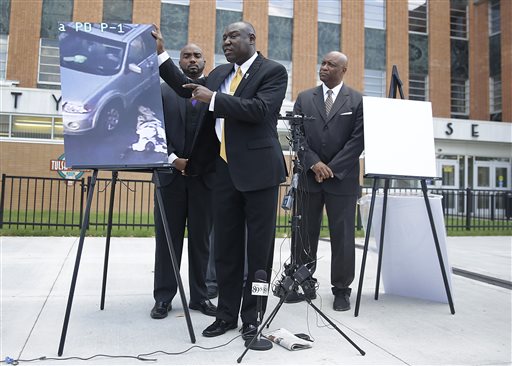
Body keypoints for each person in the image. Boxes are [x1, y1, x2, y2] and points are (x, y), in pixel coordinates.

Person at [153, 21, 288, 339]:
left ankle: (253, 317)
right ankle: (226, 314)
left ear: (251, 39)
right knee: (225, 250)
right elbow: (186, 88)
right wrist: (161, 55)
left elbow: (259, 110)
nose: (225, 41)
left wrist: (213, 99)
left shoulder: (273, 72)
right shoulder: (219, 75)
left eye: (232, 37)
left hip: (259, 176)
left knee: (258, 254)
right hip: (222, 174)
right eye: (223, 37)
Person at [286, 51, 364, 312]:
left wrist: (330, 168)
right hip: (310, 177)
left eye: (331, 65)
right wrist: (314, 163)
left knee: (343, 237)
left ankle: (341, 289)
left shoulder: (357, 100)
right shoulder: (305, 98)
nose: (325, 67)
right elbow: (297, 136)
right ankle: (303, 282)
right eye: (323, 63)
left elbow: (358, 141)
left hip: (342, 180)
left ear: (343, 70)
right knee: (304, 233)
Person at [151, 44, 216, 319]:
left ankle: (200, 297)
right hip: (170, 178)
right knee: (167, 241)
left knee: (201, 242)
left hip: (205, 181)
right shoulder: (162, 91)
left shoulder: (215, 94)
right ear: (179, 62)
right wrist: (173, 159)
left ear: (205, 61)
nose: (192, 60)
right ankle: (164, 298)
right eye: (187, 56)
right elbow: (151, 130)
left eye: (197, 56)